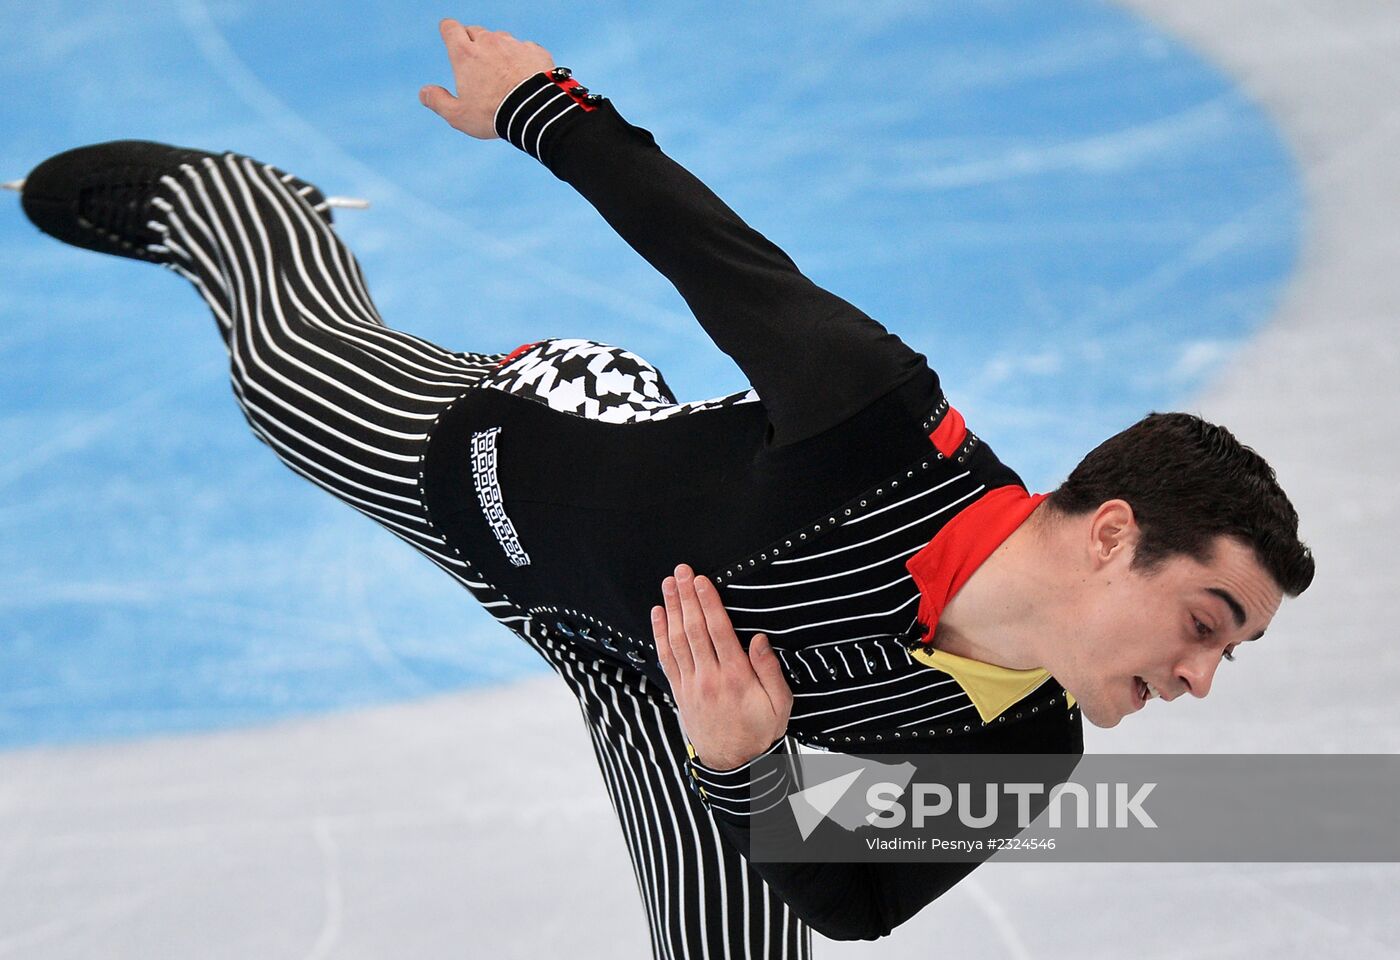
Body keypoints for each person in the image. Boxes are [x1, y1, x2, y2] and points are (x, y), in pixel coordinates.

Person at [13, 19, 1312, 957]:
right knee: (284, 372)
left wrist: (746, 771)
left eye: (1228, 654)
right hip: (521, 469)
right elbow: (715, 251)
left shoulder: (1028, 741)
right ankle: (245, 205)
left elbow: (851, 905)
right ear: (1111, 536)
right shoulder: (879, 424)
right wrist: (538, 103)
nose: (1197, 677)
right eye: (1205, 621)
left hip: (687, 705)